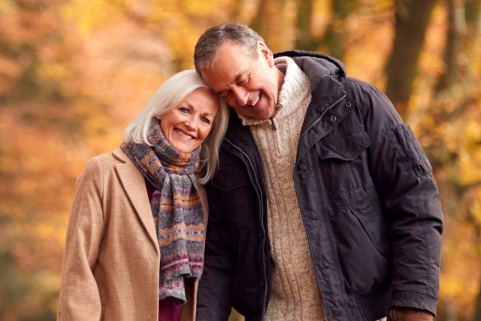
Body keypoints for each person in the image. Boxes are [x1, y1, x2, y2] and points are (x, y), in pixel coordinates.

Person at [192, 22, 443, 321]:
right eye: (226, 94)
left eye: (243, 79)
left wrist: (413, 305)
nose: (242, 98)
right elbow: (218, 247)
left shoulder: (356, 103)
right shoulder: (224, 143)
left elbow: (415, 203)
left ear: (264, 53)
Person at [57, 70, 229, 321]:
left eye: (205, 119)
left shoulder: (197, 194)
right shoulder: (105, 172)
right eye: (184, 110)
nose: (192, 125)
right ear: (161, 109)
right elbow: (78, 271)